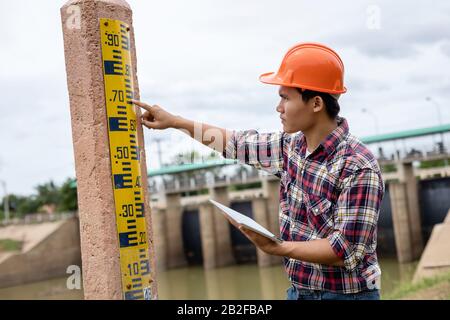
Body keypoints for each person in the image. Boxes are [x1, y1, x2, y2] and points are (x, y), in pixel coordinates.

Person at [132, 42, 385, 300]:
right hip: (299, 292)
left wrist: (279, 248)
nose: (279, 107)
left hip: (346, 296)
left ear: (316, 103)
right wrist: (175, 122)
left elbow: (346, 250)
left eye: (285, 97)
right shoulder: (290, 148)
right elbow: (235, 144)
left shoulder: (357, 165)